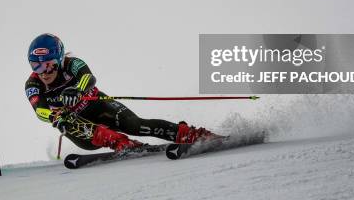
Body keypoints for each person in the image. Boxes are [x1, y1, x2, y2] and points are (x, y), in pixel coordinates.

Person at [25, 33, 218, 152]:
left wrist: (77, 90)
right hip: (82, 133)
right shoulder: (33, 84)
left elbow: (89, 78)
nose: (44, 72)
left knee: (136, 124)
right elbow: (39, 110)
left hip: (98, 105)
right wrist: (53, 116)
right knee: (65, 119)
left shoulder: (73, 64)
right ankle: (121, 143)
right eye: (37, 66)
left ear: (59, 60)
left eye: (48, 66)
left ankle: (190, 134)